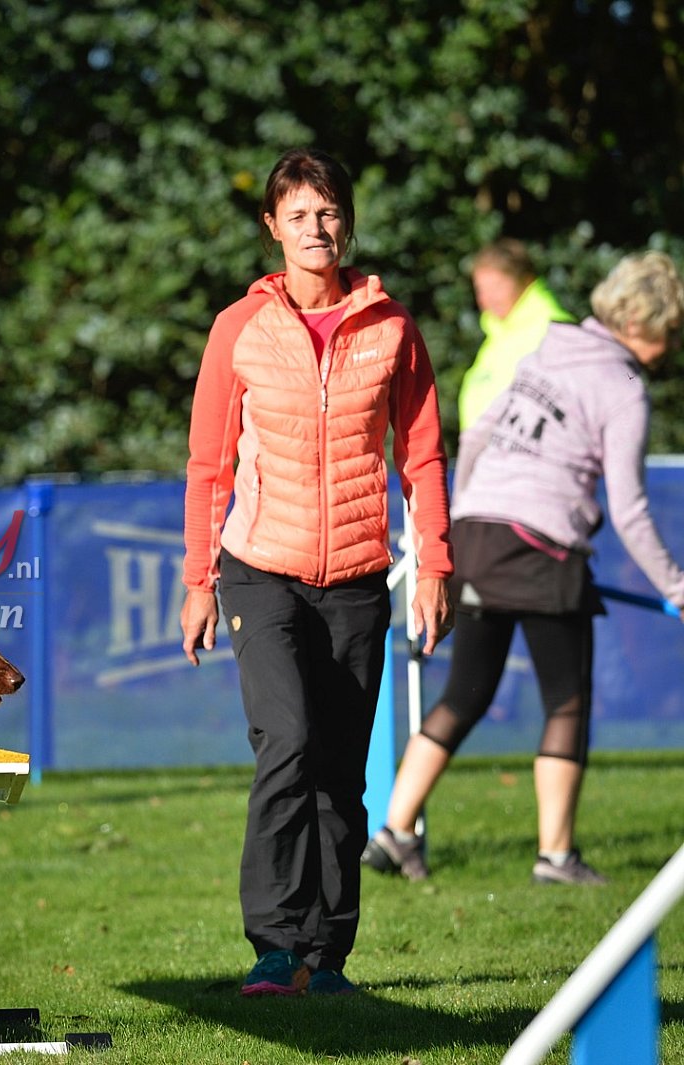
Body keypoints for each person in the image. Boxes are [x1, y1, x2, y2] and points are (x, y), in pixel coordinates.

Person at [180, 147, 454, 997]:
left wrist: (435, 564)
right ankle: (273, 943)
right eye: (298, 214)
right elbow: (209, 466)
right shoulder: (239, 327)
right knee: (288, 741)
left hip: (359, 578)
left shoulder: (392, 326)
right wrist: (198, 580)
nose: (316, 228)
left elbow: (421, 454)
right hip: (260, 569)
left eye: (328, 211)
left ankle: (327, 955)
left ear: (348, 222)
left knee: (340, 769)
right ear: (273, 226)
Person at [364, 251, 684, 887]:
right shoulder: (623, 385)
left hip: (479, 533)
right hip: (542, 548)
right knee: (566, 701)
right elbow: (629, 508)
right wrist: (677, 586)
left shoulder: (546, 351)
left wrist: (464, 519)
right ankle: (556, 857)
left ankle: (395, 833)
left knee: (464, 694)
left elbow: (480, 436)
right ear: (643, 323)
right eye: (672, 330)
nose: (672, 345)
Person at [457, 239, 574, 431]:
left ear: (526, 281)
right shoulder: (496, 335)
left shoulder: (555, 331)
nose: (487, 298)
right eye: (480, 289)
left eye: (497, 286)